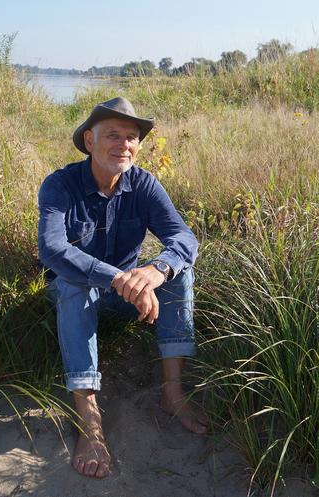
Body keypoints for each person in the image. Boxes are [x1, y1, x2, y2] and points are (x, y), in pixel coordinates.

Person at [38, 97, 207, 479]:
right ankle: (90, 422)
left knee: (182, 273)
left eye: (132, 137)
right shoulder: (60, 184)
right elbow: (53, 249)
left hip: (124, 297)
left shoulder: (143, 184)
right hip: (72, 296)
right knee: (72, 283)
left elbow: (183, 237)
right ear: (88, 140)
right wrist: (118, 277)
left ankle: (173, 392)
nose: (124, 145)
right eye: (113, 135)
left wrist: (157, 270)